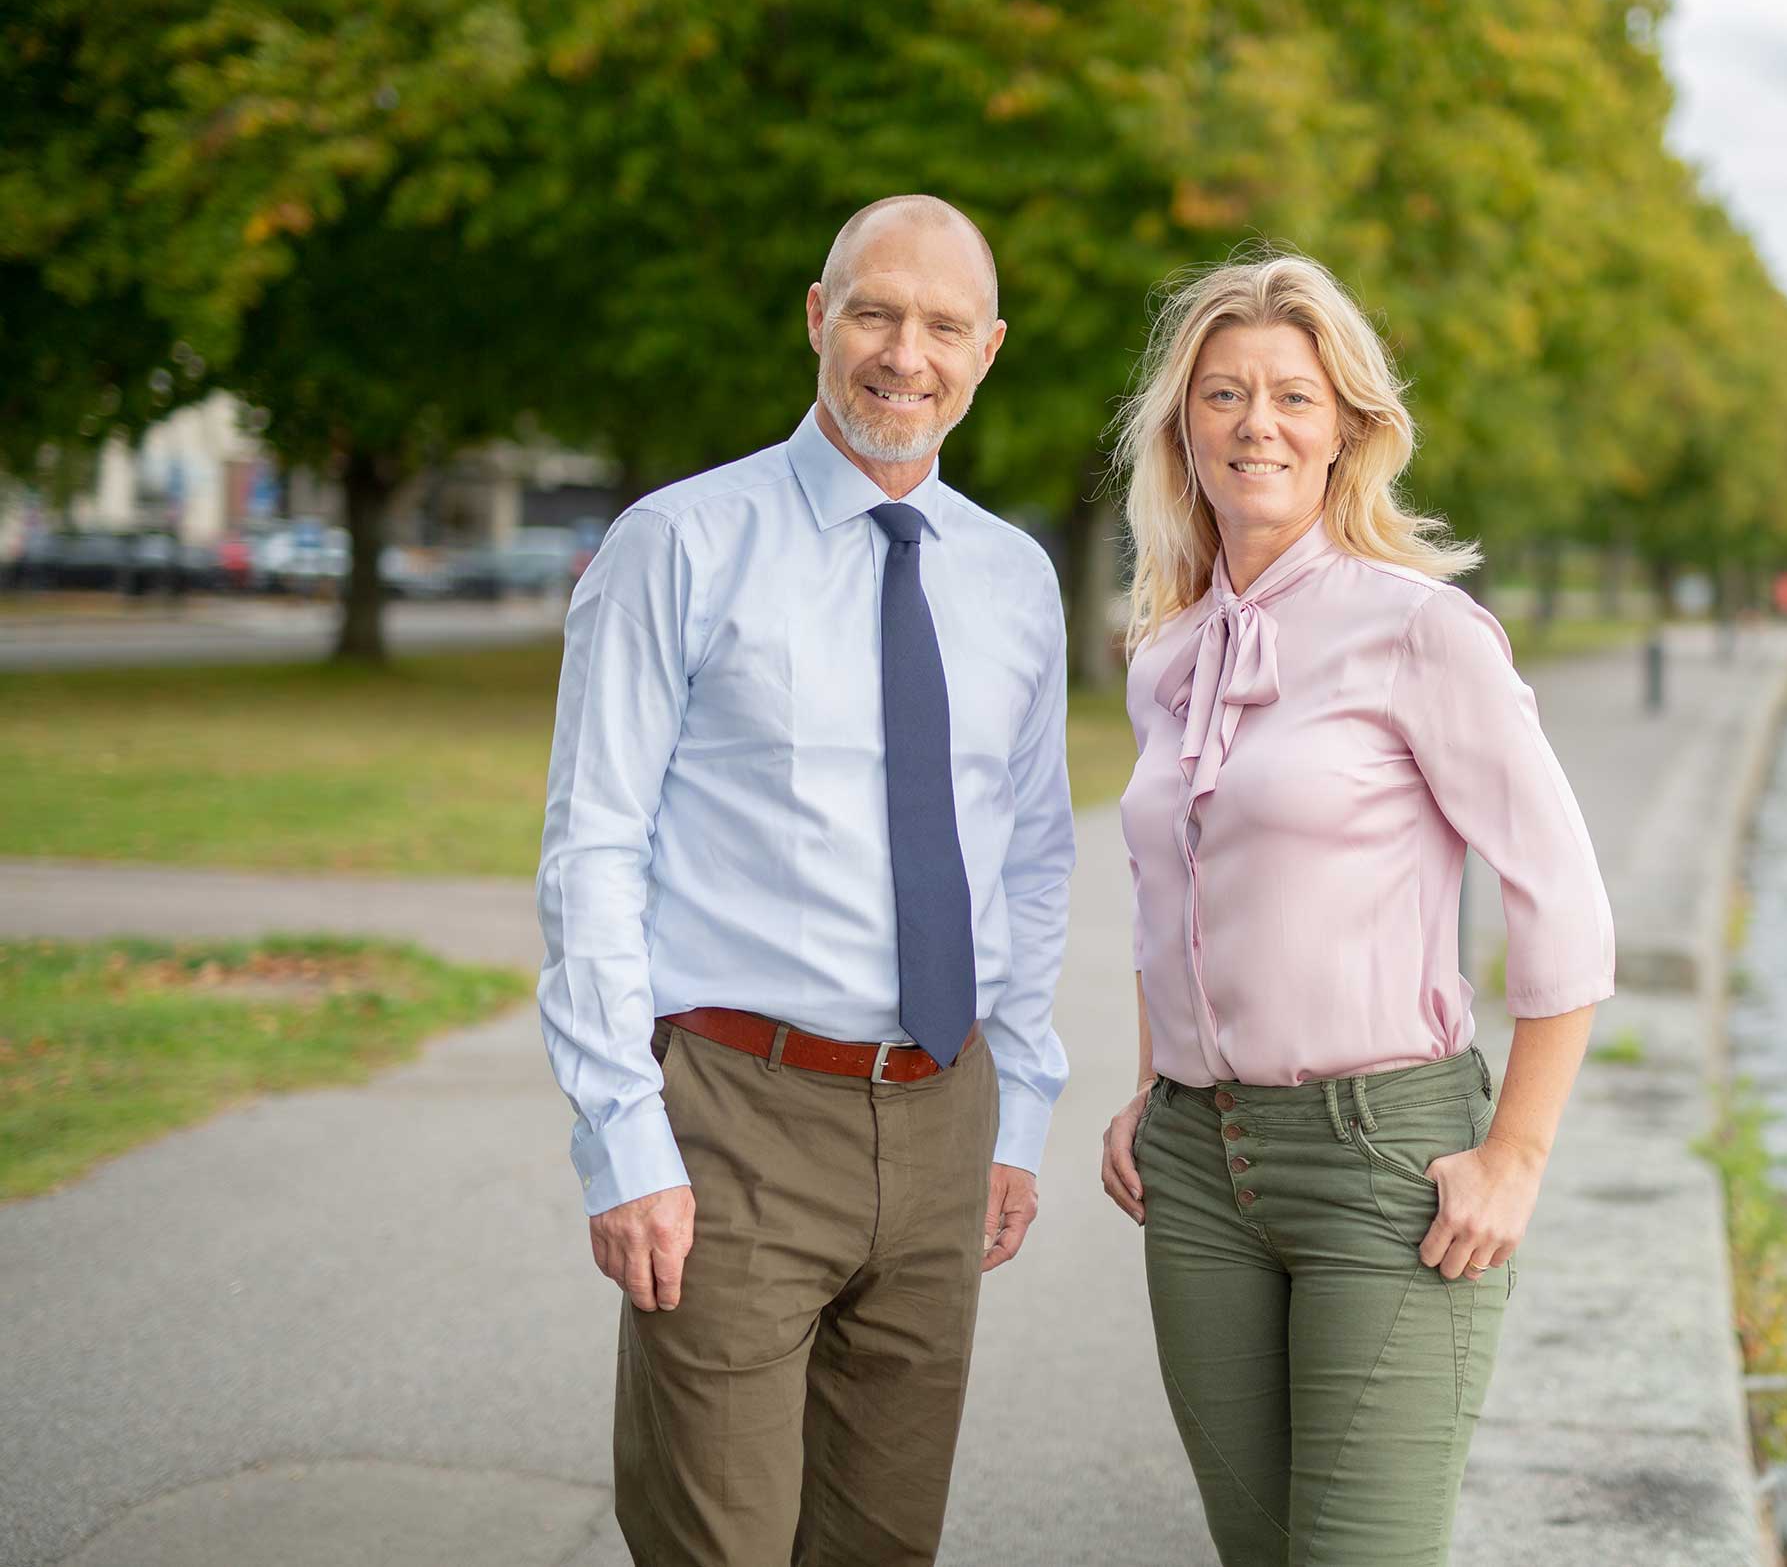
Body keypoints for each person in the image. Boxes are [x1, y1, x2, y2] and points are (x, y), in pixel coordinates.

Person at [535, 194, 1075, 1565]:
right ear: (818, 317)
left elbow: (1027, 859)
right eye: (877, 311)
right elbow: (594, 847)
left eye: (944, 324)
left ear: (989, 349)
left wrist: (1020, 1115)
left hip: (944, 1117)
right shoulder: (681, 543)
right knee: (717, 1544)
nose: (907, 353)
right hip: (735, 1120)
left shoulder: (1015, 580)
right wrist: (623, 1140)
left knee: (883, 1546)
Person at [1098, 254, 1614, 1566]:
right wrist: (1152, 1086)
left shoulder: (1421, 631)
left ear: (1346, 432)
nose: (1255, 424)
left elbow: (1562, 900)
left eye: (1291, 396)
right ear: (1181, 430)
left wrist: (1517, 1158)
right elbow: (1174, 890)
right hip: (1197, 1169)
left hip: (1389, 1165)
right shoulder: (1163, 656)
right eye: (1222, 395)